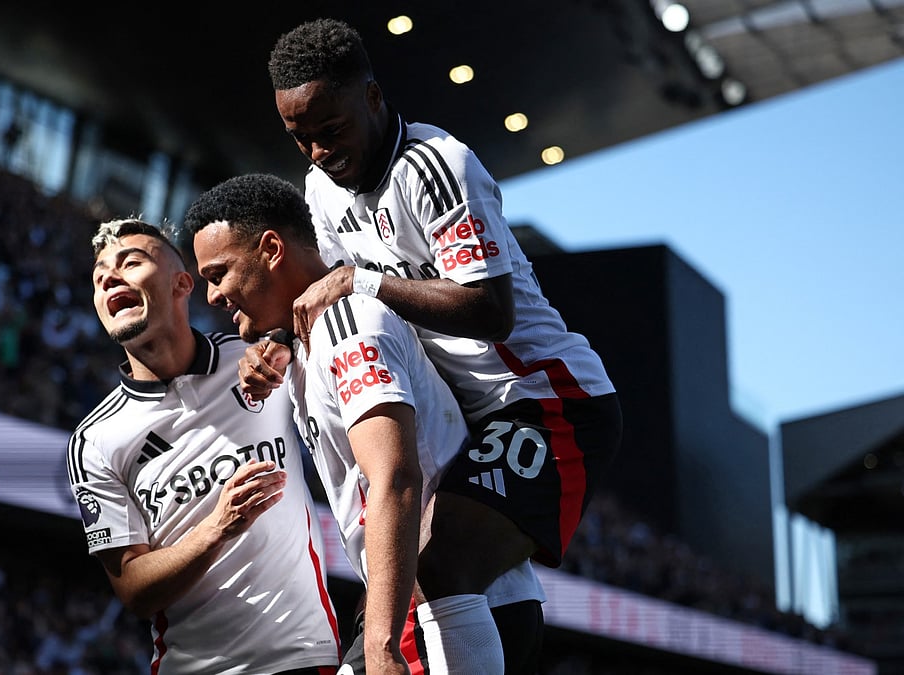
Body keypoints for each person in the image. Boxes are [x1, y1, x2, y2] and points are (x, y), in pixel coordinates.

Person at [248, 18, 626, 672]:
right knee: (399, 587)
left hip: (546, 400)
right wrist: (281, 343)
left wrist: (364, 279)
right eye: (299, 137)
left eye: (330, 129)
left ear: (372, 97)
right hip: (461, 411)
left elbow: (492, 311)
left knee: (438, 564)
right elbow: (337, 302)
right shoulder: (320, 190)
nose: (317, 151)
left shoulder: (438, 166)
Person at [187, 173, 547, 675]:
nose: (211, 296)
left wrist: (380, 645)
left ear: (271, 249)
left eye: (218, 273)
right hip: (428, 605)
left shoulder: (349, 325)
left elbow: (394, 478)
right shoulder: (307, 340)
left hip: (455, 611)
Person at [65, 218, 342, 675]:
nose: (110, 277)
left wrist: (283, 341)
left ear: (182, 284)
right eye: (99, 277)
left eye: (130, 263)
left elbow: (317, 297)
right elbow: (133, 589)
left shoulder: (254, 357)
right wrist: (217, 527)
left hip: (304, 657)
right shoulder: (94, 440)